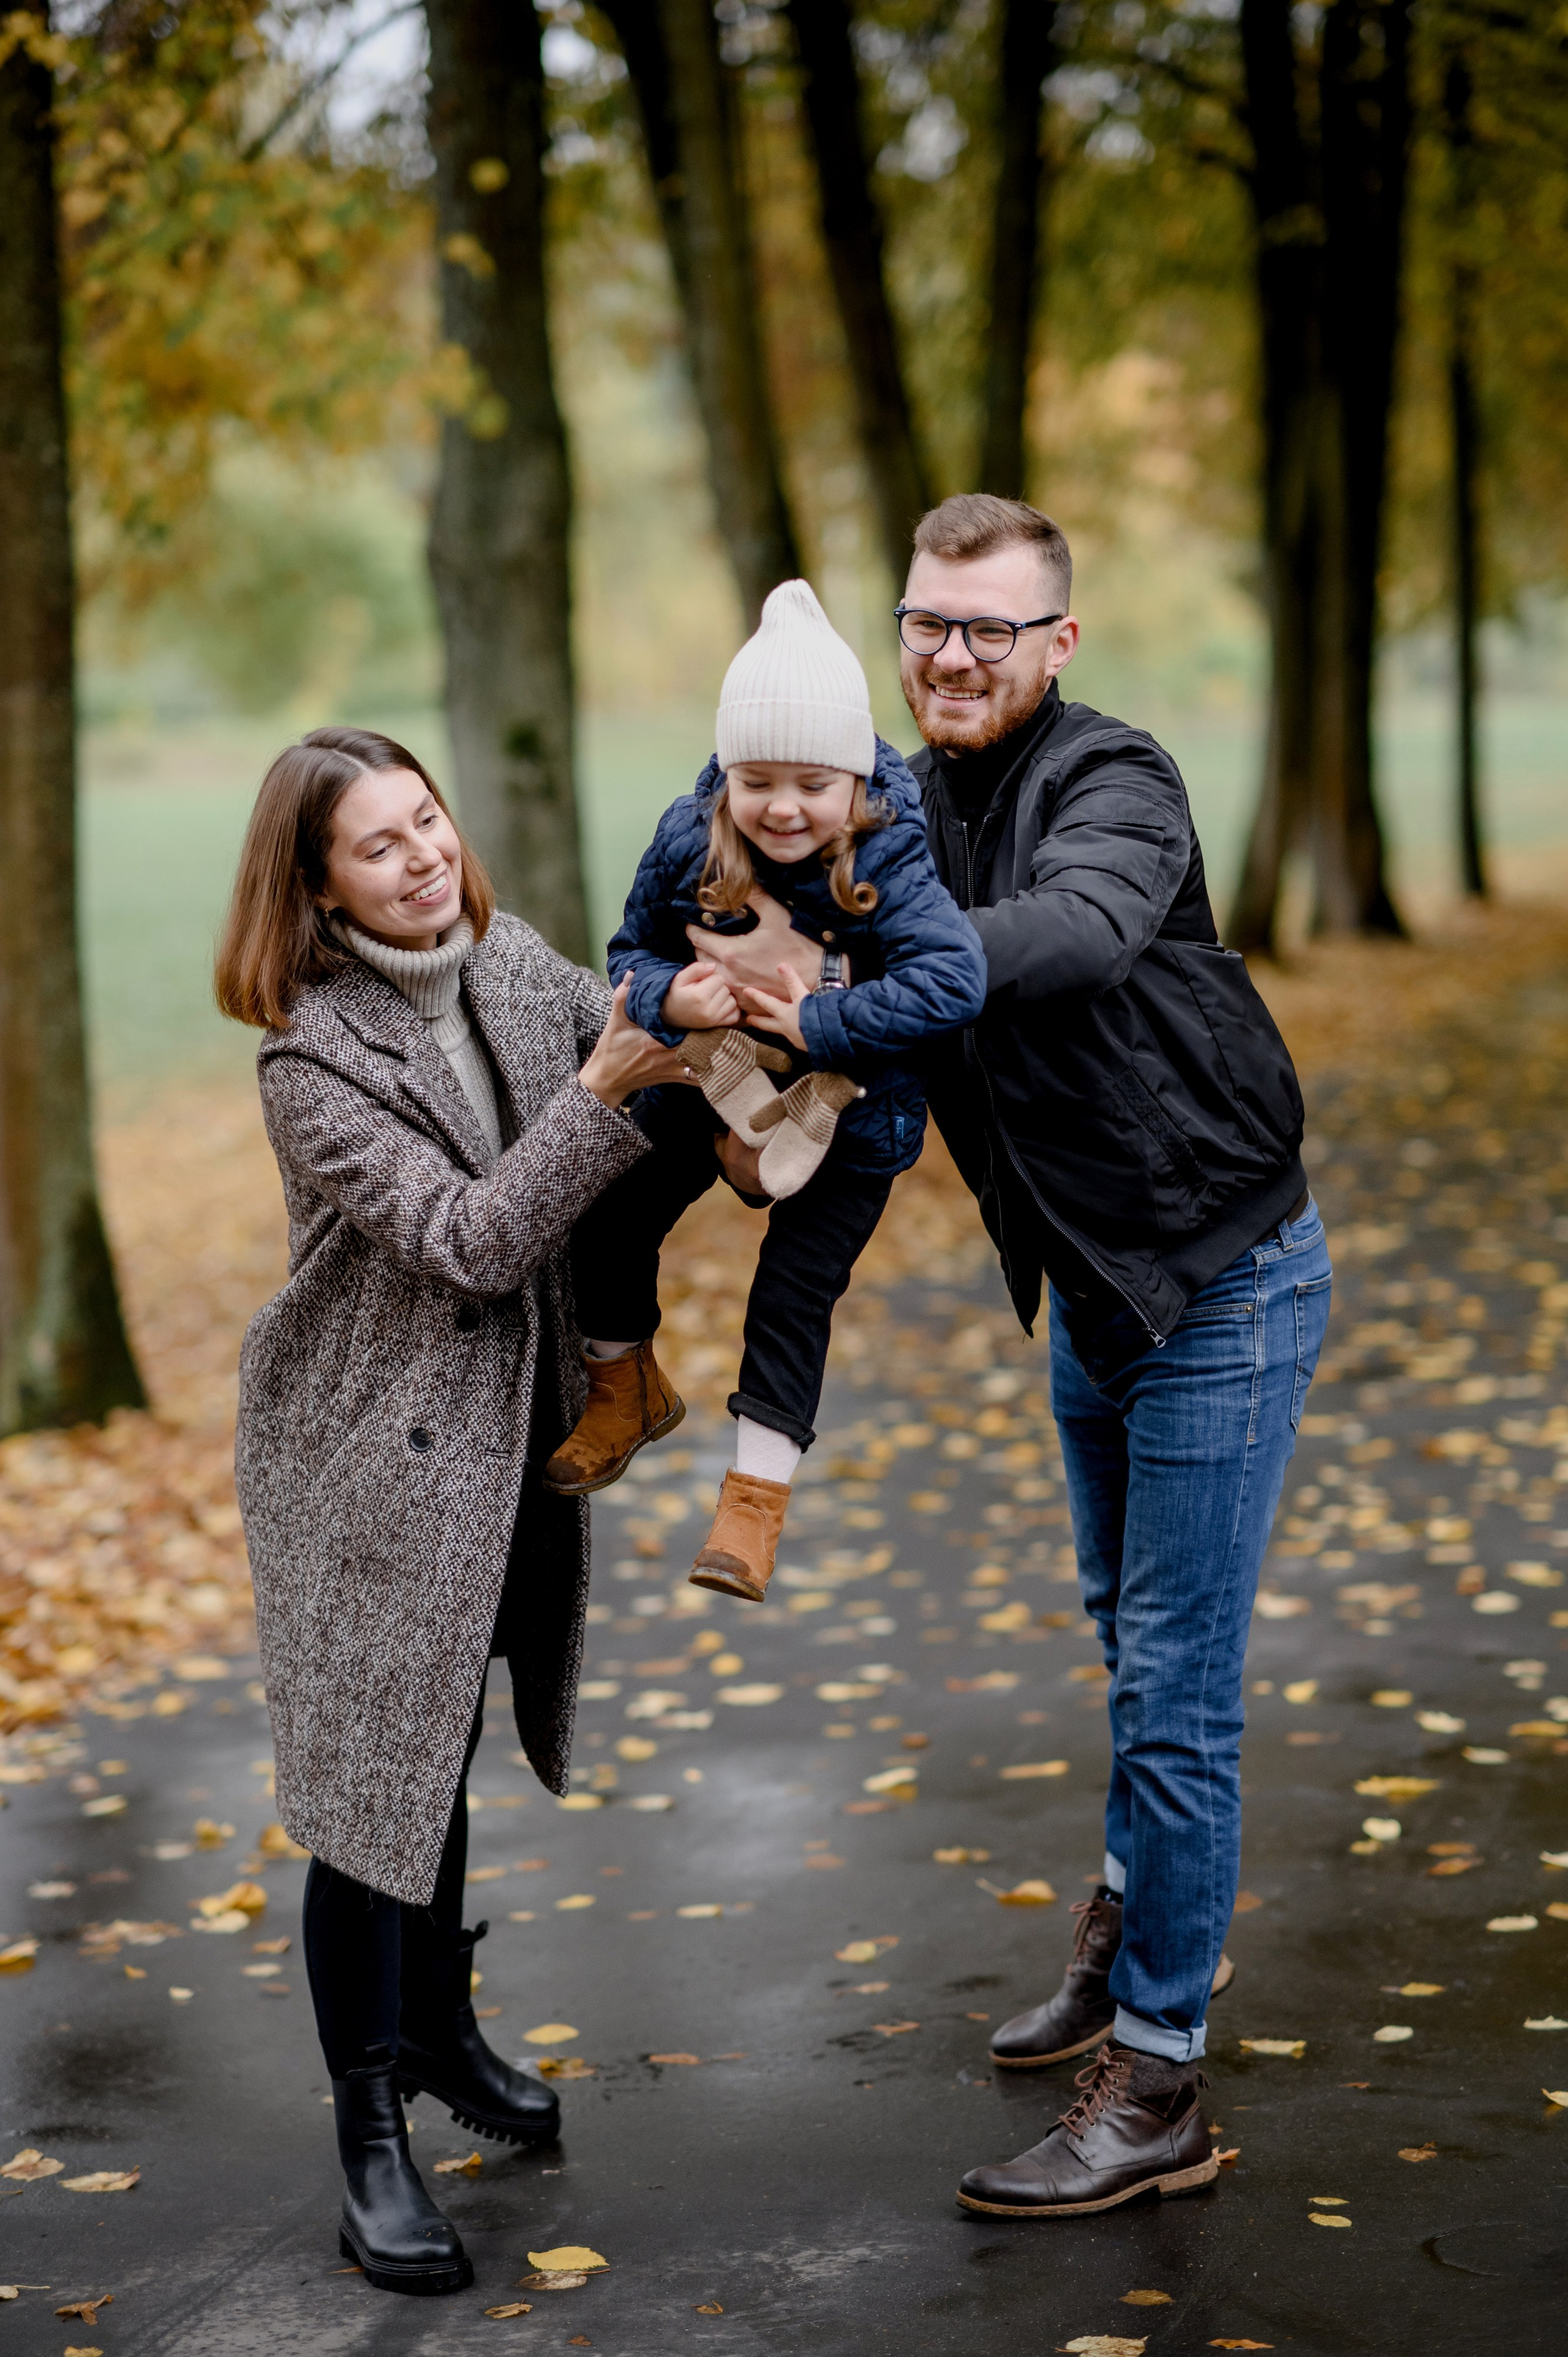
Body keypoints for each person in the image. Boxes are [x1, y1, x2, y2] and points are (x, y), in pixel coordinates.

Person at [214, 726, 685, 2295]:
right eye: (378, 845)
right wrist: (609, 1085)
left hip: (497, 1449)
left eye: (428, 821)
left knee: (445, 1741)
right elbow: (477, 1237)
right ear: (316, 884)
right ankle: (368, 2133)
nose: (422, 857)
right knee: (369, 1792)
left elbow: (630, 1039)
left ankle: (440, 2033)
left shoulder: (515, 964)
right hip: (362, 1461)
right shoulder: (313, 1060)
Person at [543, 580, 986, 1604]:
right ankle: (622, 1382)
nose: (783, 807)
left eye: (812, 783)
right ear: (724, 776)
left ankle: (752, 1505)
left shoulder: (891, 852)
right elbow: (632, 954)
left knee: (793, 1295)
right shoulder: (688, 839)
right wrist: (673, 995)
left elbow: (954, 981)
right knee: (610, 1207)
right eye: (757, 781)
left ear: (856, 780)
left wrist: (818, 1021)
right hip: (715, 1076)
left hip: (854, 1097)